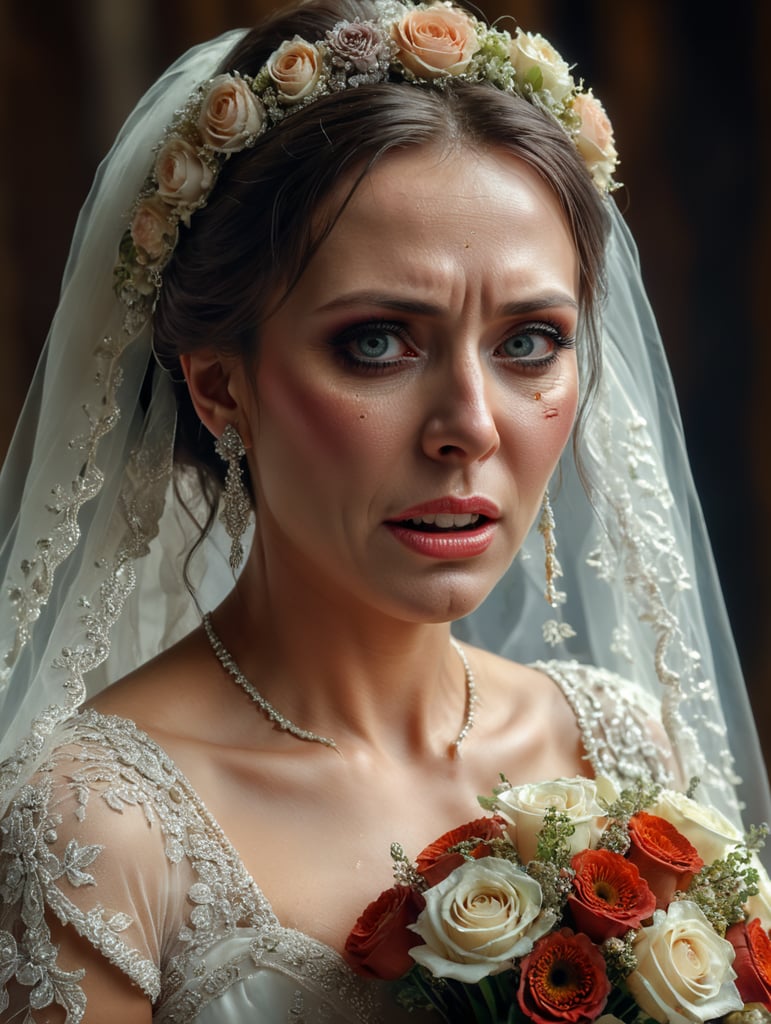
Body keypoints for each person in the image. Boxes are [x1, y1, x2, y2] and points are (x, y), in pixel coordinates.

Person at [0, 1, 768, 1021]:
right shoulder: (92, 824)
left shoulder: (616, 746)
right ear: (220, 386)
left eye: (528, 342)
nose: (470, 427)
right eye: (376, 343)